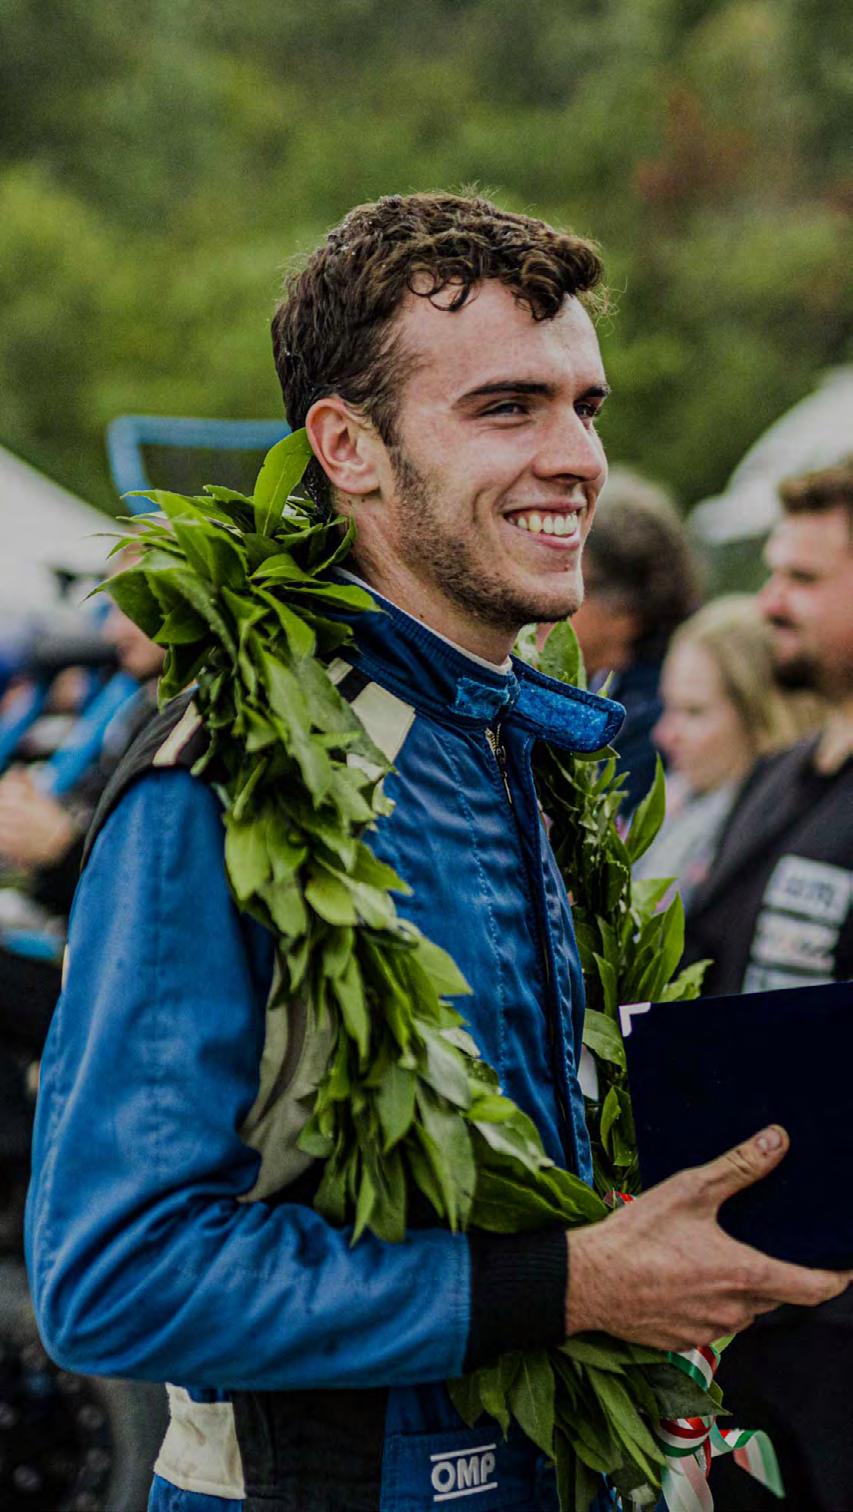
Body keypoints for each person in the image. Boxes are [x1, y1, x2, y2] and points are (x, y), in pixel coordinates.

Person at [25, 193, 850, 1512]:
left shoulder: (525, 743)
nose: (576, 456)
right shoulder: (230, 776)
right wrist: (572, 1282)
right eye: (507, 408)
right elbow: (114, 1280)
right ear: (347, 446)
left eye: (585, 405)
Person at [635, 594, 823, 910]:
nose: (665, 735)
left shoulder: (794, 842)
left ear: (763, 716)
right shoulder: (673, 804)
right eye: (668, 707)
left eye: (693, 712)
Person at [560, 468, 701, 812]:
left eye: (570, 580)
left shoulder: (664, 717)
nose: (552, 600)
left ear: (626, 610)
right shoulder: (608, 687)